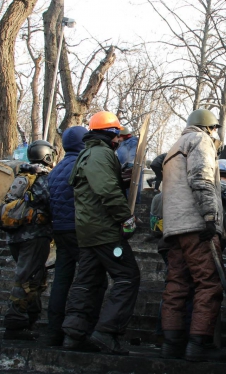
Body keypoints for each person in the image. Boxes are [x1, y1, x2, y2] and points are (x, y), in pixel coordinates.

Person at [62, 111, 140, 355]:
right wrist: (126, 218)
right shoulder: (101, 153)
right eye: (118, 135)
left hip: (87, 231)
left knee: (88, 280)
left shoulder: (88, 153)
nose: (119, 140)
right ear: (111, 133)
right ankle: (106, 333)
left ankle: (74, 334)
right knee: (128, 276)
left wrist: (122, 180)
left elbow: (100, 184)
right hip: (104, 232)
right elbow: (105, 190)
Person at [160, 108, 226, 362]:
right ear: (209, 127)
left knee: (177, 285)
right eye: (215, 129)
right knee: (209, 283)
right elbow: (201, 177)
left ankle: (171, 344)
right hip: (196, 225)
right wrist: (210, 215)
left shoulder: (173, 148)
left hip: (174, 229)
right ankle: (199, 345)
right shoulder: (200, 140)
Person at [46, 126, 107, 347]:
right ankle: (81, 330)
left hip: (60, 230)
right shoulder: (85, 164)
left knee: (62, 279)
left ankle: (54, 331)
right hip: (81, 230)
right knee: (91, 278)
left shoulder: (56, 169)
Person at [2, 140, 55, 340]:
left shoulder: (20, 174)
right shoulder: (43, 178)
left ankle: (30, 319)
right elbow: (52, 202)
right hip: (35, 236)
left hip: (14, 235)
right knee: (25, 280)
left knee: (34, 278)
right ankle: (15, 323)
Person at [116, 128, 143, 203]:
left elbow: (132, 156)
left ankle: (134, 206)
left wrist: (129, 166)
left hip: (131, 168)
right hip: (123, 167)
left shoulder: (133, 141)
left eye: (119, 137)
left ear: (123, 135)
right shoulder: (122, 143)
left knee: (132, 190)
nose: (118, 139)